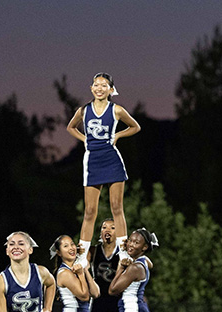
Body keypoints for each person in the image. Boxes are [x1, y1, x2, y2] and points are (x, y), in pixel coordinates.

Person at [67, 72, 141, 267]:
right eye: (96, 85)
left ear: (110, 90)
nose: (99, 88)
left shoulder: (116, 110)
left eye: (104, 85)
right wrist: (85, 139)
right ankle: (82, 257)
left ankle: (123, 252)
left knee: (117, 207)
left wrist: (118, 136)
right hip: (92, 161)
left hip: (112, 159)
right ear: (91, 88)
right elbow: (71, 128)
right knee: (90, 211)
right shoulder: (83, 111)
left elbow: (135, 127)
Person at [0, 231, 56, 312]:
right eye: (11, 244)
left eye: (21, 244)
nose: (16, 247)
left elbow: (51, 284)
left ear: (30, 249)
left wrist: (48, 308)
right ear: (7, 251)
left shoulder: (40, 272)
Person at [109, 228, 158, 312]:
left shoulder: (134, 268)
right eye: (130, 240)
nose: (131, 244)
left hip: (131, 308)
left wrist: (120, 268)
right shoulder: (144, 261)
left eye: (136, 243)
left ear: (145, 247)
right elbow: (151, 264)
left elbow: (112, 290)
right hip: (139, 306)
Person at [50, 235, 100, 312]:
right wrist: (80, 274)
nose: (71, 248)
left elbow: (95, 293)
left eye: (72, 244)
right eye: (66, 246)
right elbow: (84, 297)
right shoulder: (64, 273)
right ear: (59, 253)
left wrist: (84, 268)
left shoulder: (78, 268)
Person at [88, 218, 121, 312]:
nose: (107, 230)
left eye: (112, 228)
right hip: (98, 300)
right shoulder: (93, 251)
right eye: (104, 227)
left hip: (117, 301)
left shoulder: (123, 252)